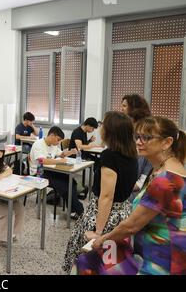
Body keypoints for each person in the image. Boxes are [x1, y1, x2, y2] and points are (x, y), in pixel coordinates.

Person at [77, 116, 186, 275]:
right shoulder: (165, 169)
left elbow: (131, 226)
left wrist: (101, 238)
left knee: (88, 265)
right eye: (137, 136)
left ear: (167, 142)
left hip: (162, 259)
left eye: (146, 137)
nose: (139, 142)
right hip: (154, 251)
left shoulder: (165, 181)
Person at [62, 111, 138, 273]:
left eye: (103, 124)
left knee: (88, 260)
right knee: (110, 263)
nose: (100, 127)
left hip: (103, 216)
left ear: (110, 131)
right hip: (122, 213)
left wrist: (98, 232)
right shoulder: (132, 155)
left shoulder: (109, 155)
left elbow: (106, 196)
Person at [28, 126, 82, 219]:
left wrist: (71, 152)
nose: (58, 142)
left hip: (50, 170)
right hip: (39, 172)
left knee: (71, 182)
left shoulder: (53, 145)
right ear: (52, 135)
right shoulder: (38, 144)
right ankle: (78, 210)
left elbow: (61, 154)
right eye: (58, 140)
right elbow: (42, 161)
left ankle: (74, 210)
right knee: (64, 186)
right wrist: (59, 161)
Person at [121, 94, 153, 201]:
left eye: (124, 106)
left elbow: (144, 175)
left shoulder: (146, 133)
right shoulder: (126, 130)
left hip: (135, 192)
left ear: (133, 109)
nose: (121, 109)